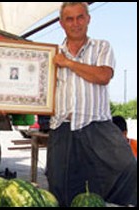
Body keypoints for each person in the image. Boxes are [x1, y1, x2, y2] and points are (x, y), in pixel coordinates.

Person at [46, 2, 137, 207]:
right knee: (60, 186)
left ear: (88, 19)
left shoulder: (101, 47)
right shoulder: (51, 54)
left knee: (128, 167)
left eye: (80, 17)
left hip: (97, 125)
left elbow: (103, 76)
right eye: (69, 19)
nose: (75, 23)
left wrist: (68, 63)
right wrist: (8, 103)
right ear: (62, 23)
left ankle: (111, 203)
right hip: (63, 126)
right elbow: (37, 92)